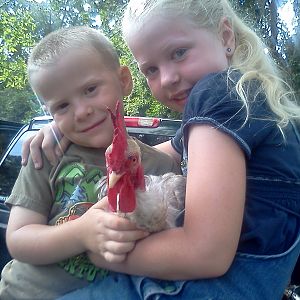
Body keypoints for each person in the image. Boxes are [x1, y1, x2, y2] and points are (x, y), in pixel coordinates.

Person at [23, 0, 300, 299]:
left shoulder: (218, 94)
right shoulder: (252, 104)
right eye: (151, 69)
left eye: (179, 53)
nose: (167, 78)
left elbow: (205, 252)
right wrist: (62, 126)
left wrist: (100, 254)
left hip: (208, 287)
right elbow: (152, 153)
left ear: (226, 37)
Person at [0, 25, 182, 300]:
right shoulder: (47, 155)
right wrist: (81, 233)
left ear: (124, 80)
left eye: (90, 89)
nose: (82, 111)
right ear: (49, 113)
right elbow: (18, 240)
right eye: (62, 106)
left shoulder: (162, 168)